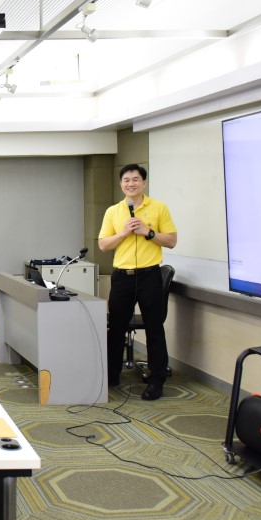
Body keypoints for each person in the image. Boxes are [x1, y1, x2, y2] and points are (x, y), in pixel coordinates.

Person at [98, 164, 178, 401]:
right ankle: (112, 375)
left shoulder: (159, 208)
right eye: (126, 180)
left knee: (154, 329)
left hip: (149, 276)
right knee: (116, 328)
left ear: (144, 183)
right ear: (121, 184)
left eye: (135, 179)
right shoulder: (113, 211)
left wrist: (148, 232)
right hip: (122, 277)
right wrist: (123, 233)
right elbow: (103, 245)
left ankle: (156, 380)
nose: (130, 183)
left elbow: (171, 241)